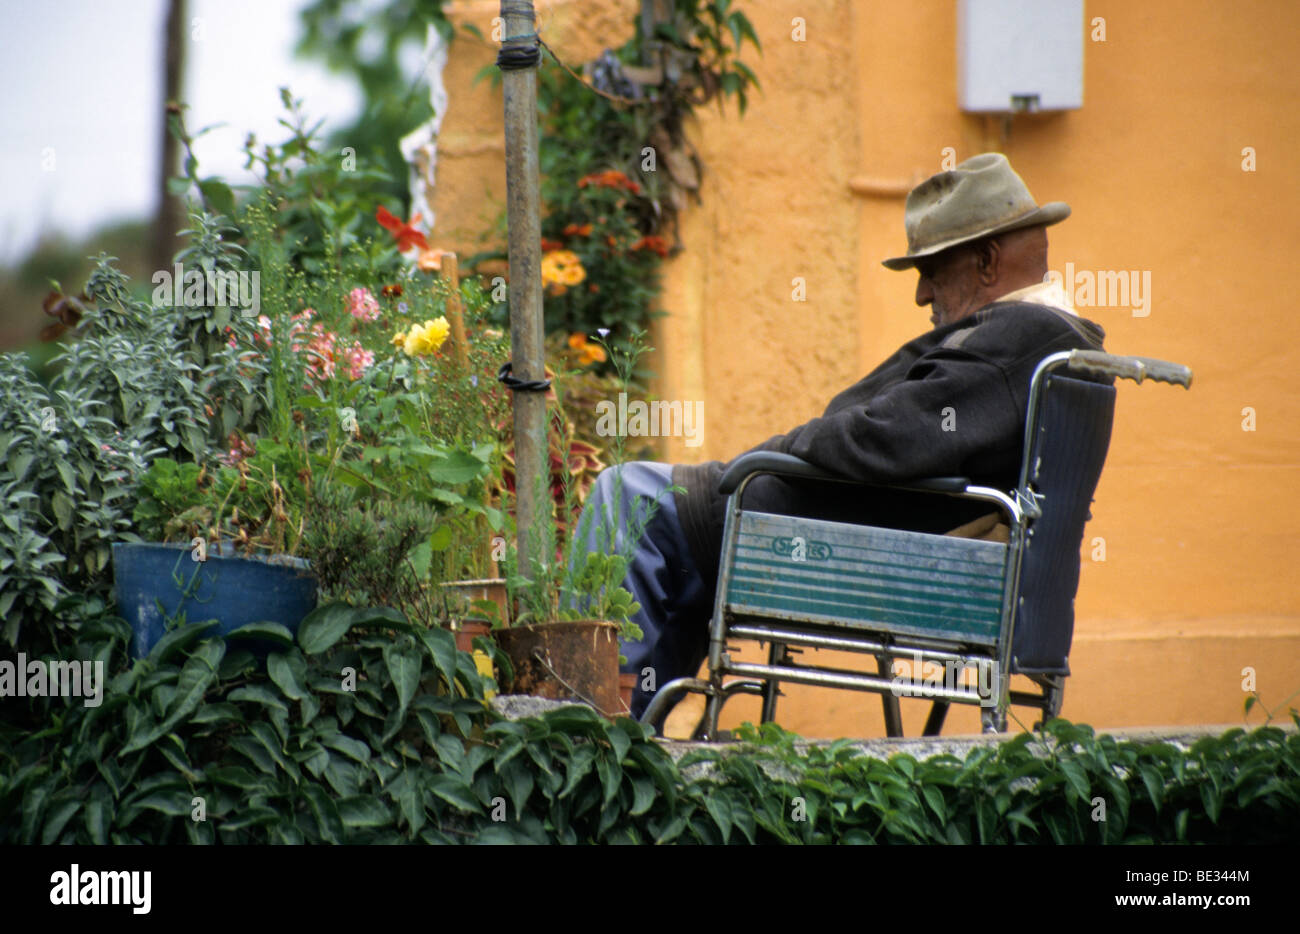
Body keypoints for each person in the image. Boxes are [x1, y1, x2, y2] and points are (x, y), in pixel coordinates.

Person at [577, 152, 1106, 719]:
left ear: (985, 260)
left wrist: (767, 456)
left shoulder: (1020, 336)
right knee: (675, 544)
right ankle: (631, 726)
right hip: (855, 531)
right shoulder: (1045, 341)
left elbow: (885, 438)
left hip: (834, 540)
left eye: (930, 269)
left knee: (626, 495)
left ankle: (586, 722)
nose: (922, 294)